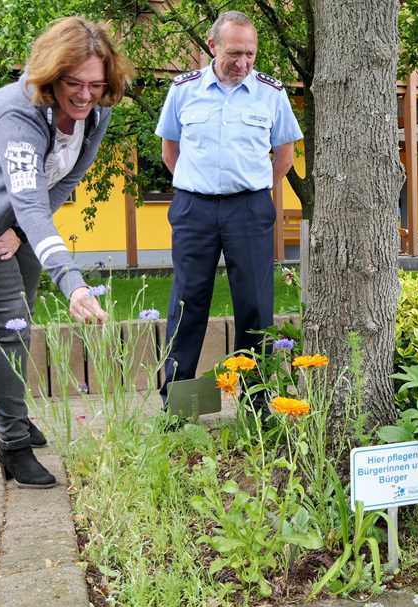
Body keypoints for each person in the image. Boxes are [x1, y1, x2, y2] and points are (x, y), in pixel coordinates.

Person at [0, 16, 133, 488]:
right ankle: (12, 446)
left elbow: (67, 179)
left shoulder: (95, 113)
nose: (84, 95)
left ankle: (8, 413)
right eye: (73, 83)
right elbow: (30, 199)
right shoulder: (17, 114)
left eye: (95, 85)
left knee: (25, 314)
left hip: (19, 216)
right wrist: (74, 284)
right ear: (51, 75)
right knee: (10, 323)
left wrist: (19, 230)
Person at [155, 10, 302, 407]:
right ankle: (177, 405)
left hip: (249, 210)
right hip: (194, 209)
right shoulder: (183, 91)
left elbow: (284, 157)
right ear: (212, 46)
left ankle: (256, 404)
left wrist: (248, 189)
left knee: (255, 305)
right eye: (234, 53)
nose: (243, 63)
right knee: (188, 303)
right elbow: (171, 152)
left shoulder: (271, 94)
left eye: (250, 55)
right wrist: (203, 186)